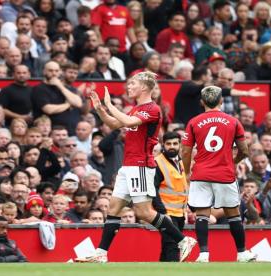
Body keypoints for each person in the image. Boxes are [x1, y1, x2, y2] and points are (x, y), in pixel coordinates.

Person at [76, 72, 196, 263]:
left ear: (144, 88)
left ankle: (183, 240)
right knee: (113, 208)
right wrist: (100, 109)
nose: (128, 87)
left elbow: (128, 122)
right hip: (128, 165)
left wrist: (110, 105)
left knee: (143, 212)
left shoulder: (152, 109)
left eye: (132, 84)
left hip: (140, 165)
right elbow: (116, 123)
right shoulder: (136, 108)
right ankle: (101, 253)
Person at [181, 85, 257, 263]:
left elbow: (185, 152)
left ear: (202, 102)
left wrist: (186, 172)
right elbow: (245, 151)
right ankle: (242, 253)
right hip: (224, 173)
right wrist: (233, 162)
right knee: (233, 214)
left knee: (202, 214)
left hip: (200, 173)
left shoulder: (193, 122)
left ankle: (204, 255)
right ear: (221, 101)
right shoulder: (233, 121)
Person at [153, 132, 188, 262]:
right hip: (167, 213)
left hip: (180, 213)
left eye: (175, 143)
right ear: (163, 145)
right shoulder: (157, 163)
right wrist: (163, 212)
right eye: (168, 144)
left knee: (168, 246)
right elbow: (153, 190)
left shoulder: (180, 161)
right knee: (172, 245)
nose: (171, 146)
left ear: (180, 145)